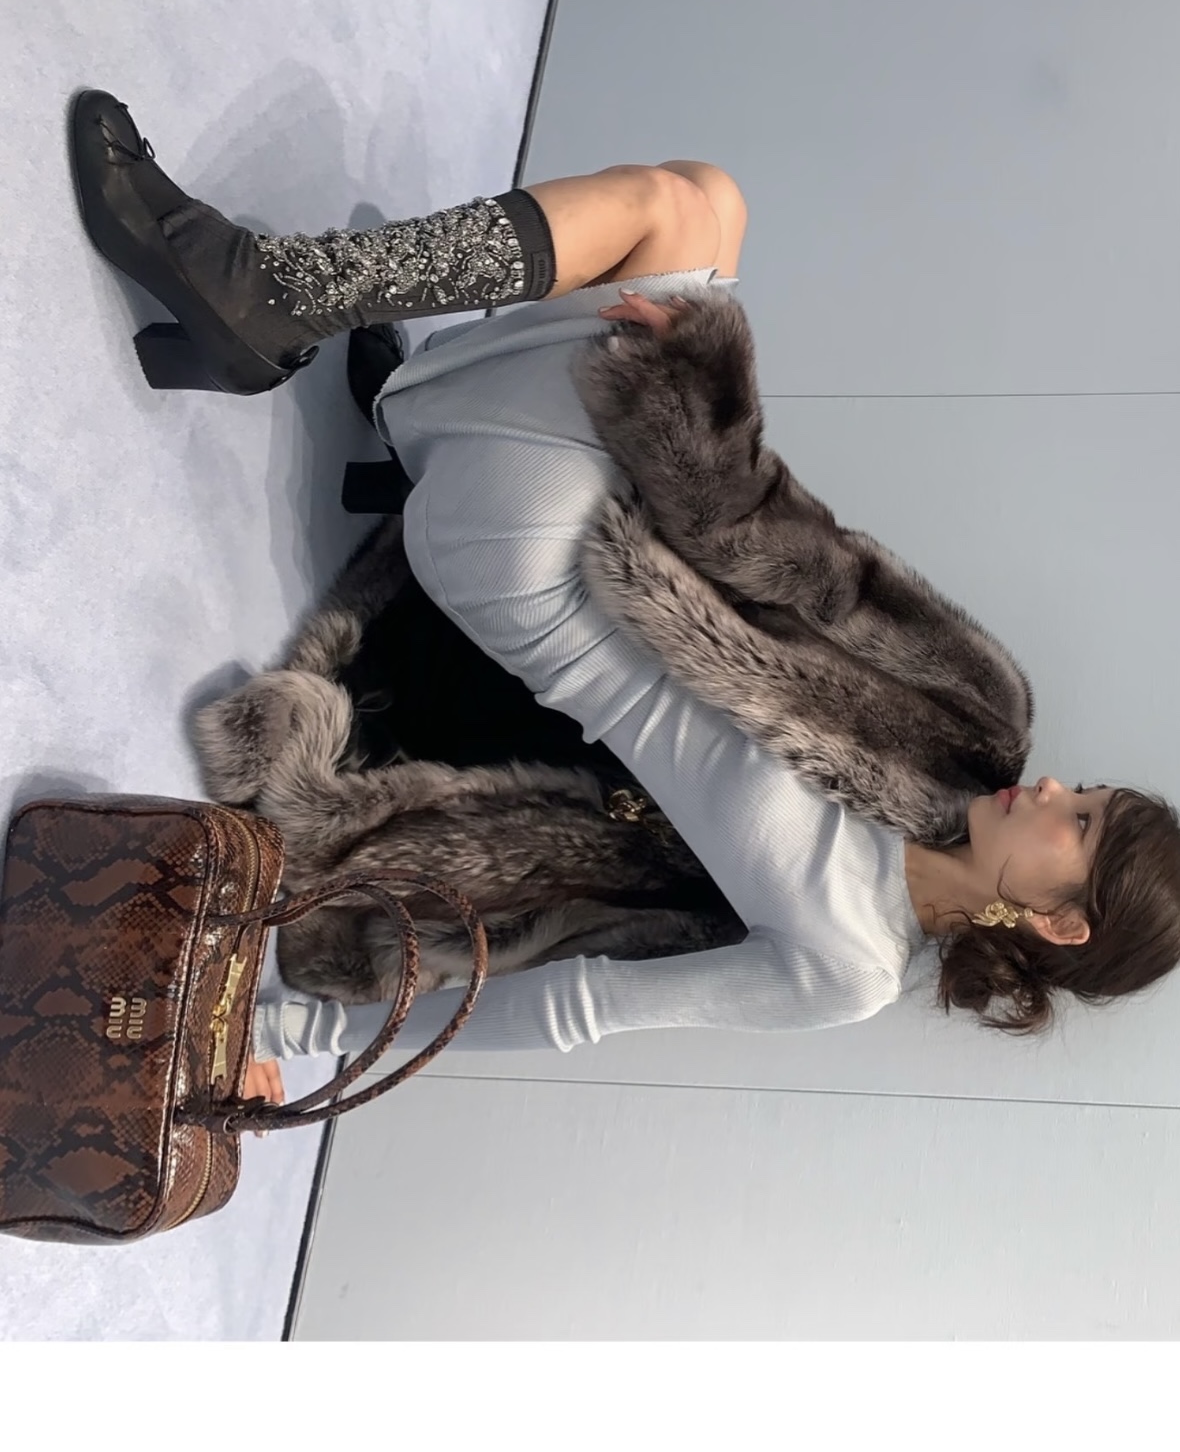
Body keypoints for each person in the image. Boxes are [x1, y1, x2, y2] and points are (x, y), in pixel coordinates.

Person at [70, 91, 1180, 1122]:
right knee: (712, 199)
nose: (1052, 788)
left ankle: (272, 296)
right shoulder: (980, 715)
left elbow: (579, 1007)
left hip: (534, 590)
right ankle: (282, 307)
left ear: (1058, 920)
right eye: (1083, 792)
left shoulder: (847, 963)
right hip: (623, 523)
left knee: (667, 213)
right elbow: (810, 564)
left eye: (1077, 822)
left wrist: (291, 1029)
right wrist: (694, 409)